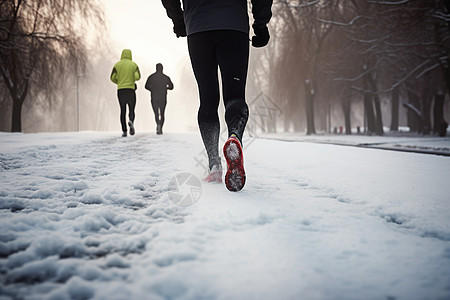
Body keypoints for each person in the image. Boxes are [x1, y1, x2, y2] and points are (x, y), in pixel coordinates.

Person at [161, 0, 273, 192]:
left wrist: (179, 20)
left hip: (198, 28)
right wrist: (260, 24)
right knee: (235, 96)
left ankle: (214, 164)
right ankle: (234, 138)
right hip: (233, 27)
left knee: (208, 98)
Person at [110, 49, 141, 137]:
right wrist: (131, 80)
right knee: (131, 109)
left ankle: (124, 130)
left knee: (122, 110)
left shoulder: (117, 65)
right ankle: (131, 120)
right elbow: (137, 77)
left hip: (121, 90)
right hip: (131, 90)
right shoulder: (134, 65)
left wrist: (119, 82)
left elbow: (112, 77)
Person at [145, 63, 174, 135]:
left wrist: (152, 89)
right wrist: (166, 87)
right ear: (162, 69)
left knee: (156, 113)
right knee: (163, 113)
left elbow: (146, 86)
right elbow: (171, 87)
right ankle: (160, 127)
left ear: (156, 68)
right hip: (163, 98)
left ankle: (158, 124)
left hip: (154, 97)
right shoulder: (166, 77)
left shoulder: (151, 77)